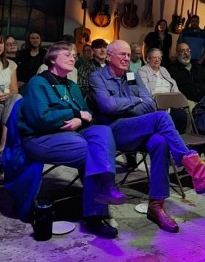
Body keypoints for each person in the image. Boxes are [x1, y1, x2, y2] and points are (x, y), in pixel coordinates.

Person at [89, 40, 205, 232]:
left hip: (138, 127)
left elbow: (150, 103)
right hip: (113, 131)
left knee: (160, 141)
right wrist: (135, 100)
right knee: (162, 117)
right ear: (108, 56)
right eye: (122, 54)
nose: (127, 58)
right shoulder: (97, 77)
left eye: (128, 55)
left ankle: (156, 205)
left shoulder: (131, 75)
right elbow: (108, 106)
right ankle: (198, 172)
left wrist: (126, 105)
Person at [14, 42, 126, 238]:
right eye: (67, 54)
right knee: (93, 153)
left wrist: (80, 119)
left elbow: (88, 114)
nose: (73, 58)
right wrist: (75, 114)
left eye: (74, 55)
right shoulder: (38, 83)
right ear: (52, 59)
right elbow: (40, 118)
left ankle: (107, 184)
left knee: (102, 131)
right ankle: (94, 216)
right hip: (40, 138)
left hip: (72, 134)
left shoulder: (72, 86)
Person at [137, 47, 187, 133]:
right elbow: (145, 90)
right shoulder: (143, 70)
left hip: (170, 101)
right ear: (148, 59)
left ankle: (179, 137)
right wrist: (162, 100)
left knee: (182, 115)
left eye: (159, 58)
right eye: (154, 57)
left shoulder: (163, 69)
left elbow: (173, 84)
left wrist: (178, 99)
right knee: (175, 116)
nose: (157, 60)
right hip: (157, 104)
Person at [168, 42, 205, 108]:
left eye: (187, 50)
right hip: (187, 104)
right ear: (177, 54)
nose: (186, 53)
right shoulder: (172, 71)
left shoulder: (197, 66)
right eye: (182, 51)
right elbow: (173, 91)